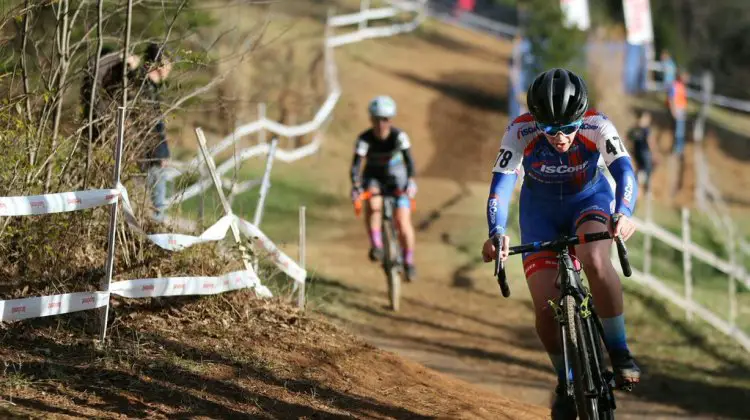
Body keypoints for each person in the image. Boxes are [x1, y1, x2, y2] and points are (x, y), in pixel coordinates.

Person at [480, 68, 641, 419]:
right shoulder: (519, 130)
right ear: (537, 121)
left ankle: (619, 350)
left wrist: (624, 211)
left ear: (581, 118)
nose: (561, 137)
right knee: (544, 307)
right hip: (540, 212)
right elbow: (501, 187)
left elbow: (625, 172)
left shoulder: (598, 125)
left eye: (569, 127)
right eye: (551, 129)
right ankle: (565, 380)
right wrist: (496, 231)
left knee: (596, 261)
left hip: (589, 201)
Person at [350, 96, 418, 280]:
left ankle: (409, 261)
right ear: (371, 119)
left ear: (391, 120)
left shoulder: (399, 136)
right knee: (373, 204)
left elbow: (409, 162)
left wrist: (411, 181)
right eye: (377, 119)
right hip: (374, 178)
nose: (381, 124)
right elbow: (356, 165)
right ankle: (377, 246)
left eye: (385, 119)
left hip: (398, 178)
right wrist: (356, 185)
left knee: (403, 222)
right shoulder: (364, 139)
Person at [627, 110, 659, 192]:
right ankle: (646, 188)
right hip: (645, 153)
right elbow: (650, 141)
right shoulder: (646, 130)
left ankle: (636, 188)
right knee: (648, 170)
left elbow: (628, 139)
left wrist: (630, 151)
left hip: (636, 153)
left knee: (638, 170)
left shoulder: (634, 129)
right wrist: (655, 154)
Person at [667, 71, 688, 156]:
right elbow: (671, 99)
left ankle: (679, 148)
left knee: (680, 130)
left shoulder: (682, 86)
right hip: (678, 110)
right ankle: (677, 149)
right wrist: (673, 111)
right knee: (679, 131)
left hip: (681, 110)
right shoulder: (675, 85)